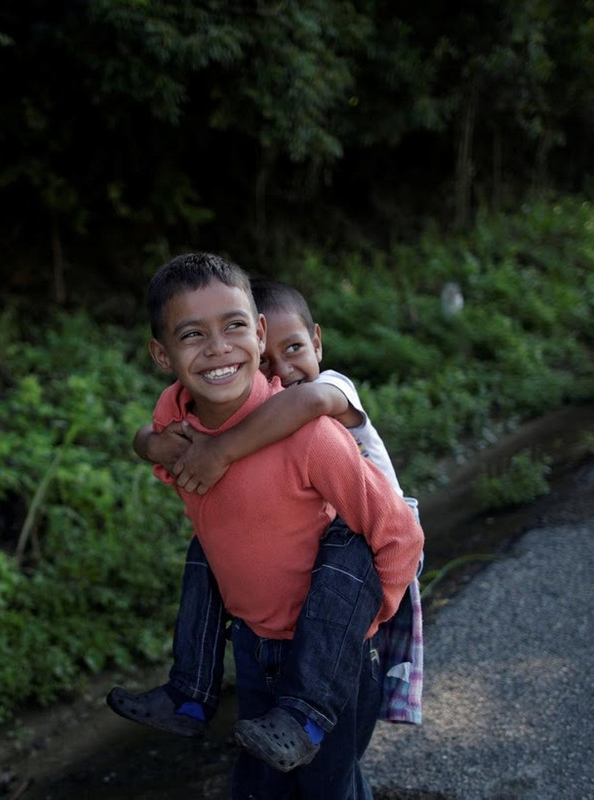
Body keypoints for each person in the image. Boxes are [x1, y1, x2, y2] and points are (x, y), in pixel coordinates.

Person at [125, 252, 424, 798]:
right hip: (255, 644)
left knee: (327, 788)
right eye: (193, 335)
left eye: (233, 326)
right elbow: (151, 434)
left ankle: (298, 708)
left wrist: (362, 620)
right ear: (161, 354)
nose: (217, 348)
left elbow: (400, 534)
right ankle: (191, 691)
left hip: (331, 653)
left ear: (259, 334)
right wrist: (150, 443)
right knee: (262, 786)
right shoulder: (180, 423)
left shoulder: (311, 434)